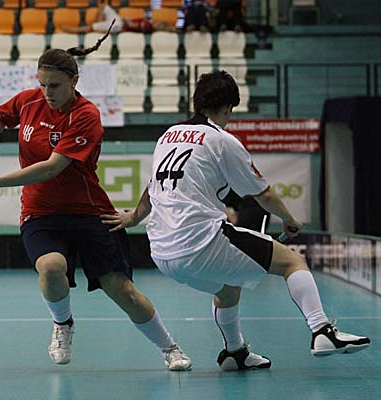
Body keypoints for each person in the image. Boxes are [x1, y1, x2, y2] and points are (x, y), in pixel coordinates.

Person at [102, 71, 370, 370]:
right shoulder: (221, 139)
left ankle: (235, 352)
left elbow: (153, 185)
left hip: (162, 252)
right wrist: (290, 220)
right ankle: (322, 331)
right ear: (229, 108)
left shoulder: (168, 136)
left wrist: (134, 217)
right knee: (293, 262)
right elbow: (264, 194)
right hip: (201, 242)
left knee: (228, 287)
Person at [0, 30, 191, 371]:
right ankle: (63, 324)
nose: (47, 92)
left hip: (88, 212)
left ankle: (169, 348)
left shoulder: (87, 115)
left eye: (54, 85)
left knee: (123, 292)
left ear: (74, 80)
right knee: (51, 267)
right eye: (42, 84)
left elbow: (51, 168)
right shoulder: (29, 101)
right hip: (41, 213)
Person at [60, 0, 177, 34]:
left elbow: (132, 25)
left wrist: (127, 20)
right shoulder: (149, 24)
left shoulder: (147, 25)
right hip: (119, 21)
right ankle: (99, 24)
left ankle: (72, 30)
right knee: (104, 6)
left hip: (119, 26)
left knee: (92, 27)